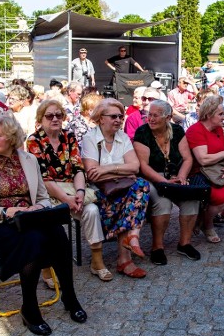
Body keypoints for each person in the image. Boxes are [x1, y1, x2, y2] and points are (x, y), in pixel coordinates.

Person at [0, 115, 86, 333]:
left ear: (11, 138)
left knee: (57, 232)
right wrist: (6, 211)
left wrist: (37, 208)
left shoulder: (28, 160)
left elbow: (42, 197)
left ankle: (70, 296)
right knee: (33, 239)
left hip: (28, 218)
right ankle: (29, 308)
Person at [26, 99, 107, 282]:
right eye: (49, 115)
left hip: (72, 188)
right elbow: (43, 178)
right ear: (41, 118)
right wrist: (67, 199)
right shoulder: (34, 140)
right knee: (48, 219)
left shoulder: (68, 136)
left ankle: (97, 261)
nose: (55, 118)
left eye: (58, 115)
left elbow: (79, 168)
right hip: (47, 191)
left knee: (92, 210)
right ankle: (47, 268)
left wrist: (79, 192)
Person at [81, 99, 151, 279]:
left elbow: (135, 167)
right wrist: (122, 171)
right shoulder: (90, 138)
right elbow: (92, 175)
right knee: (134, 194)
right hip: (101, 193)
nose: (119, 120)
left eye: (121, 116)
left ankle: (131, 241)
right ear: (100, 118)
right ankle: (126, 256)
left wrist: (106, 169)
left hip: (122, 191)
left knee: (141, 184)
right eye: (113, 116)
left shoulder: (123, 137)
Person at [133, 99, 202, 264]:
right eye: (149, 114)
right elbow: (143, 166)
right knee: (163, 202)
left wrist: (182, 177)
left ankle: (184, 243)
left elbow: (187, 158)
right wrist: (164, 182)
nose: (151, 119)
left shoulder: (177, 131)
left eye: (156, 115)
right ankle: (157, 247)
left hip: (175, 175)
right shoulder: (142, 132)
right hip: (152, 177)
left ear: (168, 117)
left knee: (191, 198)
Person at [185, 95, 224, 242]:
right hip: (199, 173)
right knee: (220, 200)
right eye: (220, 114)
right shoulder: (196, 130)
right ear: (209, 114)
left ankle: (203, 216)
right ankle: (208, 225)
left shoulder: (217, 129)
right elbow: (203, 160)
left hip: (217, 171)